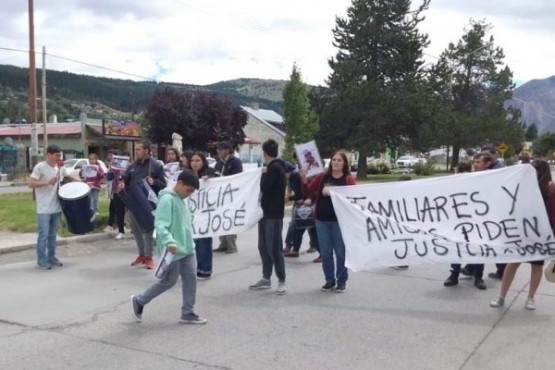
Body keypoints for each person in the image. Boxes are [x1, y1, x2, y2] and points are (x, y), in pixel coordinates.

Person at [130, 170, 207, 324]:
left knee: (191, 279)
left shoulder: (181, 198)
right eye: (188, 190)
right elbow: (160, 224)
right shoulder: (167, 200)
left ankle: (188, 312)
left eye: (191, 192)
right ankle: (140, 300)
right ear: (179, 184)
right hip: (173, 250)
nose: (189, 194)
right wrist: (170, 241)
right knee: (168, 282)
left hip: (187, 248)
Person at [490, 159, 554, 310]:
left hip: (540, 235)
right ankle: (501, 296)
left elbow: (553, 215)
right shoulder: (523, 186)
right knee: (512, 264)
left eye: (533, 169)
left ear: (541, 171)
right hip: (521, 233)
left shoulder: (551, 190)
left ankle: (530, 298)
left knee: (536, 266)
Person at [301, 150, 356, 292]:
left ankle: (341, 281)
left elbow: (353, 199)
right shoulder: (322, 177)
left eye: (339, 160)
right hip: (322, 220)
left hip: (339, 221)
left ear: (344, 163)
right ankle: (329, 280)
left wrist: (333, 192)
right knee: (325, 252)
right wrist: (304, 179)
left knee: (340, 252)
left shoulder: (348, 179)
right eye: (334, 160)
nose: (336, 162)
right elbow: (307, 191)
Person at [249, 139, 288, 295]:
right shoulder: (277, 167)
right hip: (266, 213)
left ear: (264, 153)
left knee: (273, 247)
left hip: (272, 213)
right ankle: (266, 277)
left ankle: (281, 280)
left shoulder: (274, 169)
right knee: (263, 246)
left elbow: (264, 187)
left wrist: (262, 175)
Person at [28, 145, 75, 270]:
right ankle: (41, 260)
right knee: (43, 235)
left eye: (60, 155)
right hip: (44, 208)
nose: (59, 158)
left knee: (53, 234)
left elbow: (69, 177)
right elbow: (31, 183)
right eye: (57, 155)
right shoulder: (40, 167)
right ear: (48, 154)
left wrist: (82, 183)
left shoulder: (60, 167)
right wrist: (47, 182)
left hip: (56, 207)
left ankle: (51, 257)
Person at [123, 141, 167, 269]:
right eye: (135, 149)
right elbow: (125, 180)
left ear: (147, 150)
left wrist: (154, 182)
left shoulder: (156, 166)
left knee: (148, 229)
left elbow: (163, 184)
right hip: (133, 201)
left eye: (138, 149)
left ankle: (149, 257)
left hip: (148, 202)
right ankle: (141, 255)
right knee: (136, 230)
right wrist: (120, 180)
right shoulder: (132, 166)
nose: (136, 152)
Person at [283, 152, 320, 259]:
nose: (298, 160)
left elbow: (311, 188)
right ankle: (294, 248)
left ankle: (318, 250)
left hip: (308, 202)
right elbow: (300, 188)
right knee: (297, 225)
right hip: (302, 202)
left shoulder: (312, 170)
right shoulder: (297, 172)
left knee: (309, 227)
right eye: (297, 159)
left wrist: (308, 198)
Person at [443, 161, 473, 287]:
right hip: (461, 220)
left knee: (466, 248)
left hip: (468, 220)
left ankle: (456, 274)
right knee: (464, 248)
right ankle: (473, 275)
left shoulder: (473, 181)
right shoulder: (457, 182)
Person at [188, 151, 216, 280]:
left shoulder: (210, 173)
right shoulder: (187, 174)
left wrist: (209, 180)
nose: (194, 163)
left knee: (204, 242)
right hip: (193, 214)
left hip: (206, 215)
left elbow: (218, 187)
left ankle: (205, 269)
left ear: (203, 162)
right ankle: (196, 268)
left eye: (197, 160)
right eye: (192, 160)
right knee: (194, 242)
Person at [481, 146, 506, 280]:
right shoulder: (491, 168)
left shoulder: (497, 169)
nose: (485, 157)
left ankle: (502, 270)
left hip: (496, 212)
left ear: (494, 156)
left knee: (495, 242)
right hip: (489, 210)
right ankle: (471, 267)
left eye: (487, 155)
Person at [213, 141, 243, 253]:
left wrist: (223, 177)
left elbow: (237, 177)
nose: (218, 151)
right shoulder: (218, 163)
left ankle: (231, 245)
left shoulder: (235, 162)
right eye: (217, 149)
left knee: (229, 218)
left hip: (231, 195)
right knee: (221, 219)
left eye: (220, 149)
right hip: (220, 196)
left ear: (227, 150)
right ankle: (223, 243)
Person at [391, 175, 412, 270]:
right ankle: (396, 260)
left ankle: (403, 262)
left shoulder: (410, 195)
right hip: (397, 221)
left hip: (406, 223)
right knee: (395, 241)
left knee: (403, 241)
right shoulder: (397, 194)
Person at [106, 150, 127, 240]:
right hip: (117, 191)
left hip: (128, 191)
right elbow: (108, 177)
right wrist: (111, 168)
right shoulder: (114, 168)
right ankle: (121, 231)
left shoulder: (129, 166)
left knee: (132, 213)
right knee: (119, 211)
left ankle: (134, 231)